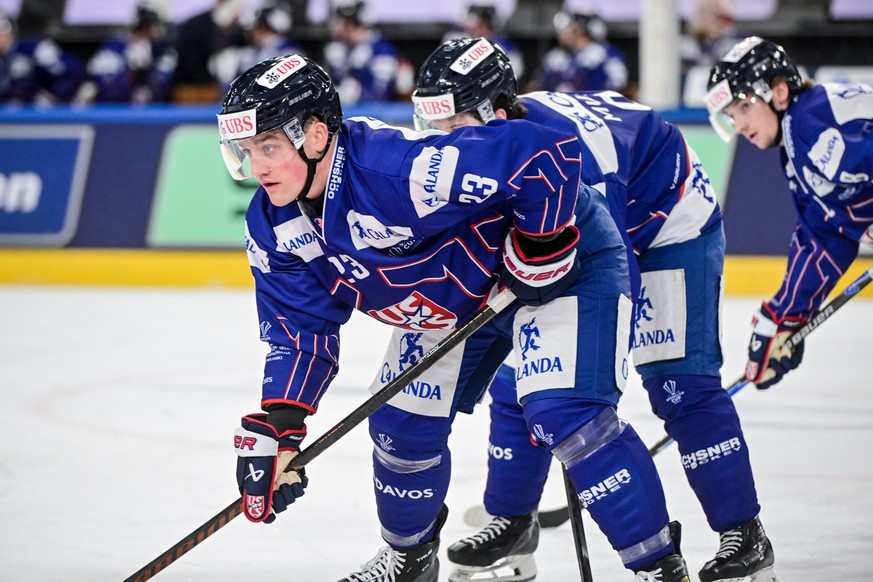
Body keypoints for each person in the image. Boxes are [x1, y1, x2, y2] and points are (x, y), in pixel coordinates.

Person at [221, 53, 690, 581]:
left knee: (566, 414)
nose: (256, 167)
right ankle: (409, 559)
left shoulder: (395, 169)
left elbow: (545, 153)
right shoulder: (273, 222)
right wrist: (282, 422)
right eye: (244, 151)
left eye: (268, 147)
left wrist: (541, 242)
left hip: (567, 261)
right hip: (454, 295)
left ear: (314, 135)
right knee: (400, 425)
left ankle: (658, 568)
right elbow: (299, 331)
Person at [412, 37, 776, 582]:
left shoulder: (567, 152)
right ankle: (514, 520)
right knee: (520, 377)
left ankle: (744, 535)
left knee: (679, 384)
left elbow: (610, 264)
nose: (442, 141)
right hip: (601, 223)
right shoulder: (491, 142)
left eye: (453, 123)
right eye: (431, 123)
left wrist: (590, 374)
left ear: (496, 110)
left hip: (668, 223)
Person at [705, 39, 873, 388]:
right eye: (731, 115)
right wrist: (781, 318)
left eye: (743, 107)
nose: (738, 124)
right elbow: (824, 237)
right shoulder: (797, 146)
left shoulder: (813, 120)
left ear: (779, 92)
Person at [75, 1, 177, 104]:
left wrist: (146, 72)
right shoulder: (114, 48)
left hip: (151, 115)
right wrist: (130, 71)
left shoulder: (165, 53)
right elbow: (106, 90)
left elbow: (162, 90)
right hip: (112, 113)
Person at [527, 5, 627, 94]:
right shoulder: (556, 56)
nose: (561, 32)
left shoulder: (604, 54)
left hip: (594, 108)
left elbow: (618, 86)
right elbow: (537, 85)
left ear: (580, 28)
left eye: (568, 26)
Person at [322, 0, 406, 103]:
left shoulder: (381, 50)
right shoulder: (340, 48)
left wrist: (359, 93)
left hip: (376, 114)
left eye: (343, 22)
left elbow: (380, 94)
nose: (336, 27)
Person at [214, 2, 305, 92]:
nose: (253, 33)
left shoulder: (289, 51)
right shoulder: (248, 53)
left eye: (259, 28)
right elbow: (235, 86)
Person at [0, 8, 85, 105]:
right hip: (9, 114)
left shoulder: (34, 48)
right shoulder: (5, 59)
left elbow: (72, 72)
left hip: (42, 114)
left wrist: (56, 96)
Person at [171, 0, 246, 102]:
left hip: (215, 90)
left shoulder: (236, 32)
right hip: (190, 89)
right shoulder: (197, 26)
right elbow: (191, 62)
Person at [442, 3, 524, 79]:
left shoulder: (502, 43)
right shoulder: (456, 39)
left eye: (483, 23)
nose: (480, 28)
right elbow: (445, 66)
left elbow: (516, 69)